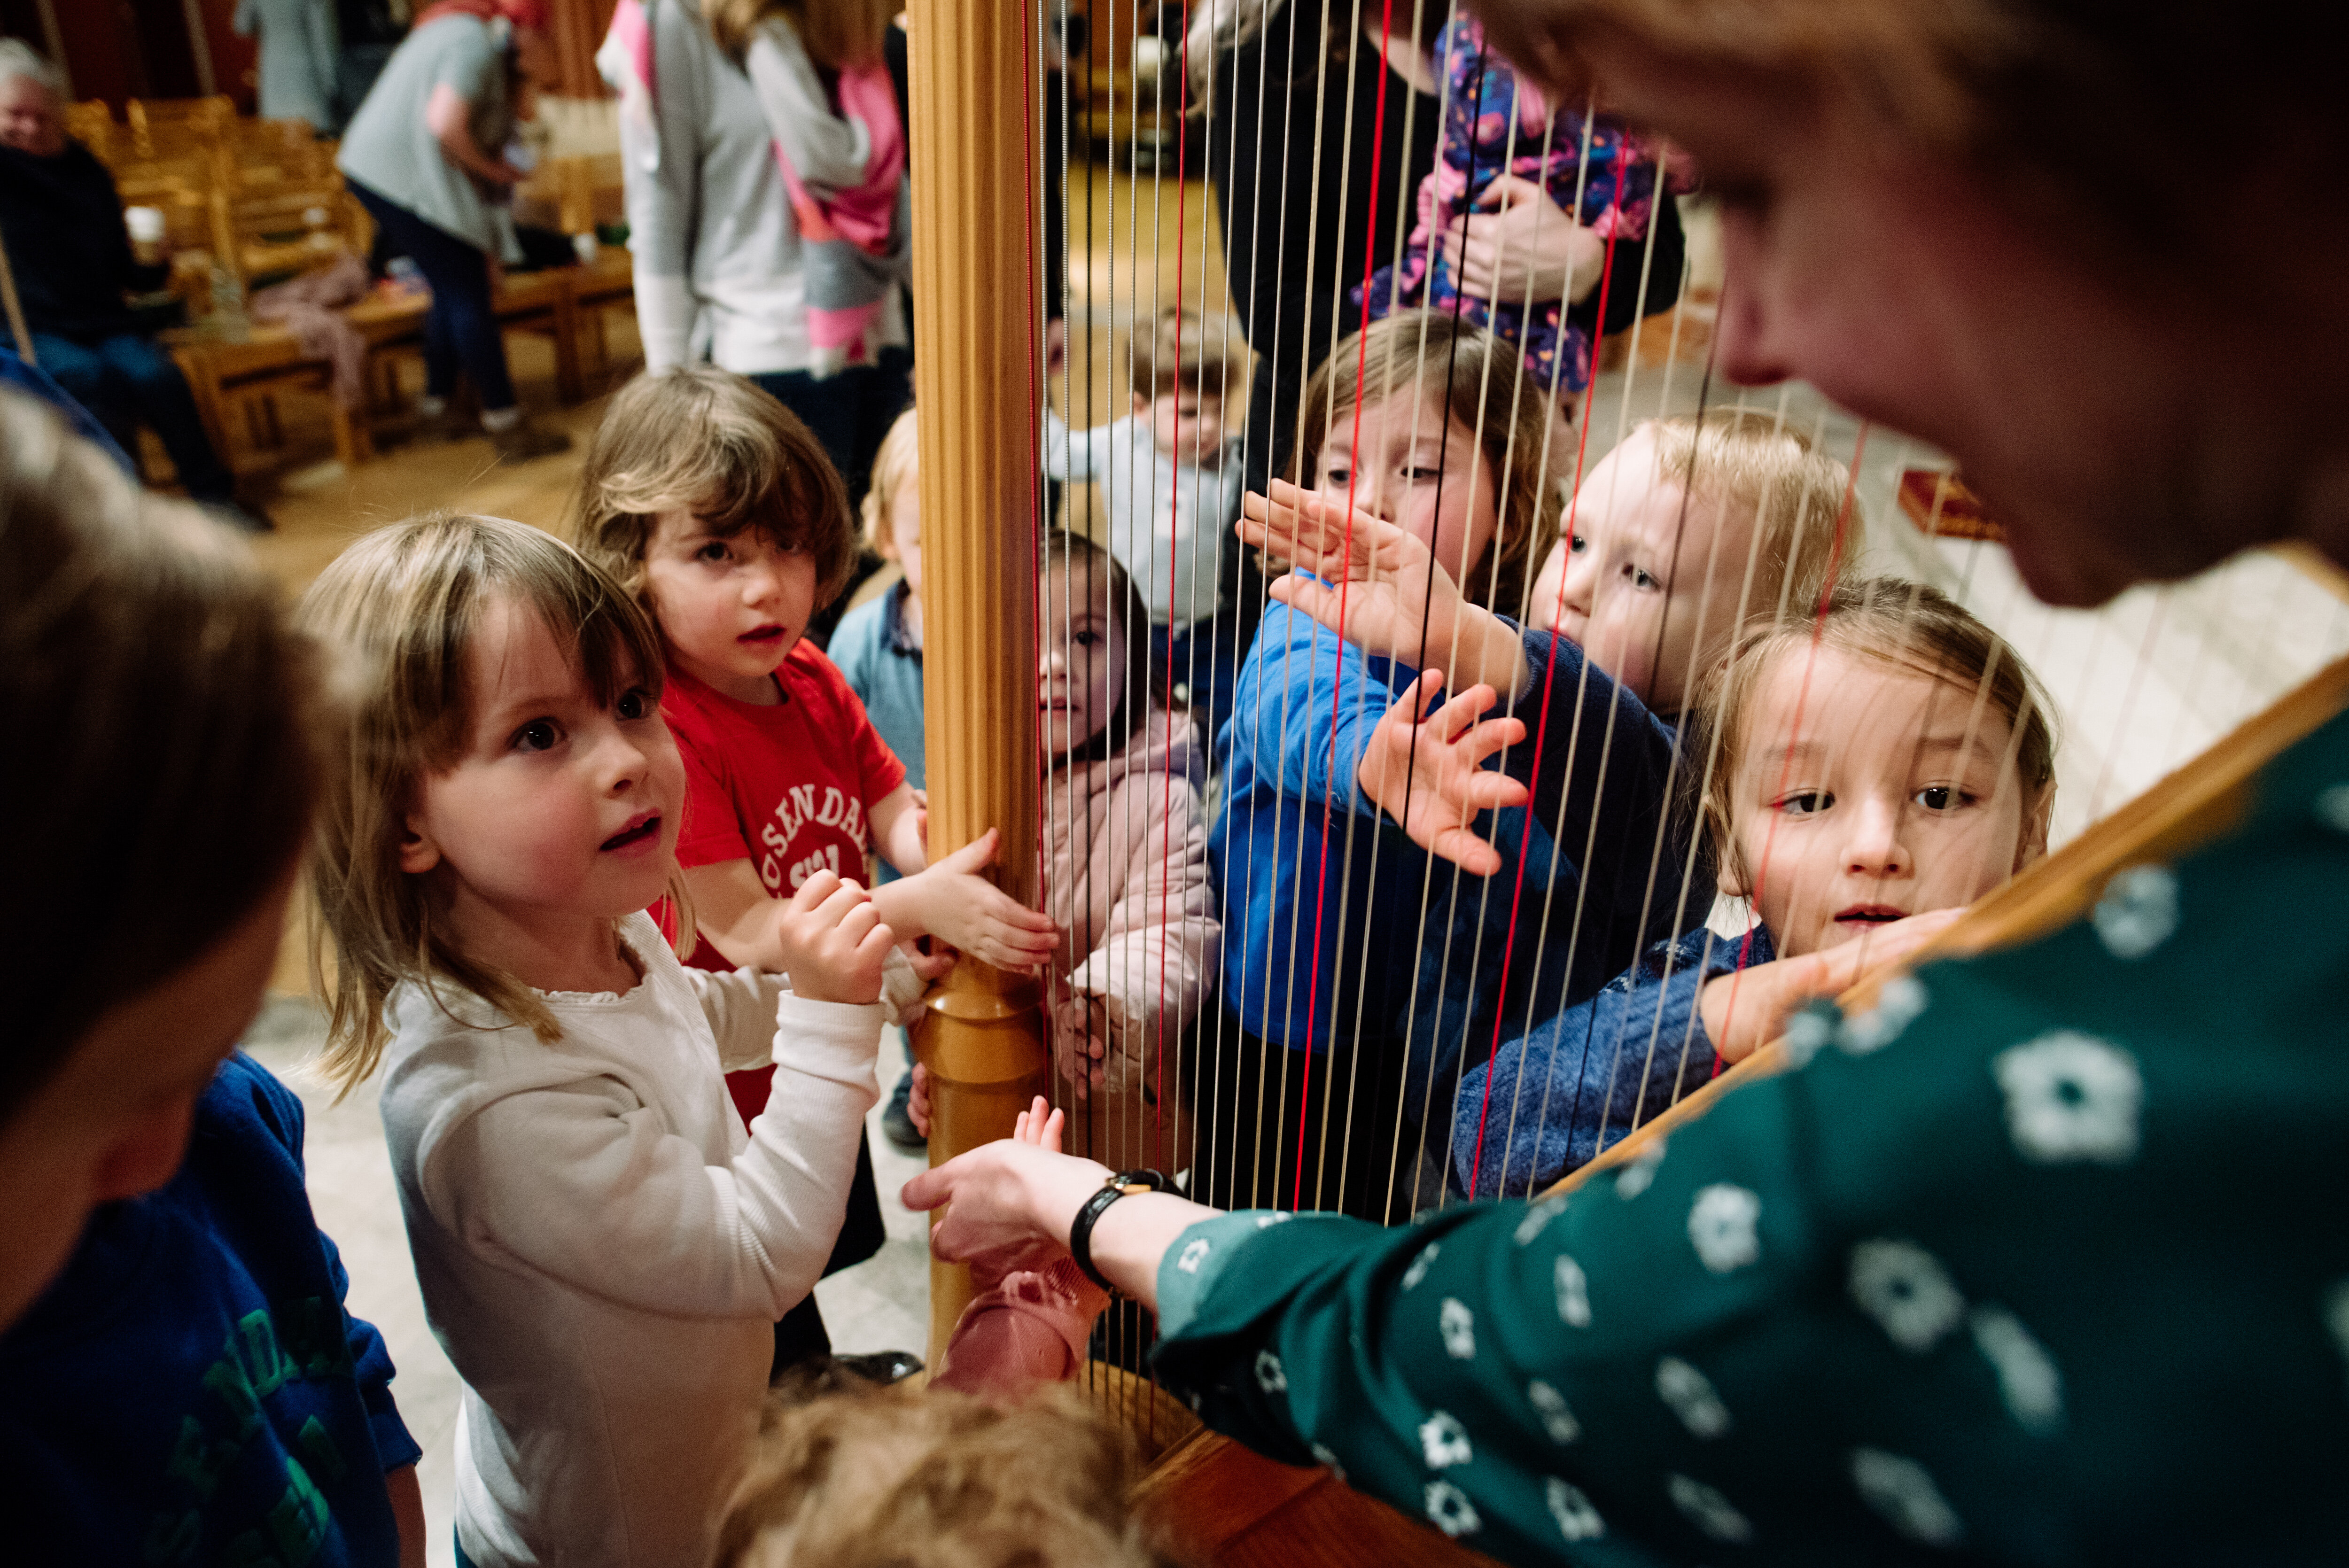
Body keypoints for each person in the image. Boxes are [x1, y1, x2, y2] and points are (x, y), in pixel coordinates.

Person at [903, 0, 2349, 1559]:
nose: (1749, 337)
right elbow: (1378, 798)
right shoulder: (1381, 647)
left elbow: (1472, 1323)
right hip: (1312, 1059)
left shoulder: (2005, 1012)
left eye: (1758, 191)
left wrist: (1097, 1215)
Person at [299, 512, 894, 1566]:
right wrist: (833, 1021)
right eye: (539, 734)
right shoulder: (491, 1102)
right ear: (403, 820)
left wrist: (812, 989)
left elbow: (681, 1022)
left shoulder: (596, 925)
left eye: (630, 704)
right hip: (613, 1532)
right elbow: (762, 1254)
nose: (628, 760)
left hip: (706, 1445)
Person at [0, 390, 425, 1560]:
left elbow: (342, 1363)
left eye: (207, 1053)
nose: (169, 1147)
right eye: (122, 1092)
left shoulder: (219, 1121)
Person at [1234, 405, 1851, 1203]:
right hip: (1434, 1097)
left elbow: (1617, 749)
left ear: (1743, 642)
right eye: (1577, 539)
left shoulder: (1689, 778)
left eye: (1643, 574)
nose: (1580, 586)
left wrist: (1477, 640)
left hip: (1533, 1158)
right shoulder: (1520, 690)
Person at [570, 366, 1056, 1373]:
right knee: (748, 1291)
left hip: (814, 1042)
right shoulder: (662, 730)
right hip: (723, 1075)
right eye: (716, 553)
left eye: (788, 545)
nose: (767, 584)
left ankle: (810, 1388)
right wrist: (921, 903)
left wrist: (962, 859)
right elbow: (748, 933)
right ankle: (793, 1423)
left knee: (804, 1273)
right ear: (633, 562)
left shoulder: (812, 674)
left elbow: (890, 809)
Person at [1457, 579, 2056, 1196]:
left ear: (2033, 826)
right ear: (1732, 847)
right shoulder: (1696, 984)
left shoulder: (2068, 1033)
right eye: (1808, 800)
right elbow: (1482, 1135)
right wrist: (1716, 1021)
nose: (1876, 847)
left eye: (1941, 795)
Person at [909, 532, 1220, 1170]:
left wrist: (1106, 1003)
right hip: (994, 1092)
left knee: (1094, 1263)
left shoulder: (1159, 795)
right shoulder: (970, 789)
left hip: (1113, 1105)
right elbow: (935, 953)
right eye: (1028, 636)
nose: (1055, 662)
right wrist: (937, 1049)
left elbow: (1175, 930)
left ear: (1132, 658)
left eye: (1085, 638)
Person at [602, 0, 912, 512]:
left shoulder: (844, 19)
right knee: (789, 571)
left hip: (880, 336)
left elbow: (895, 186)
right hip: (765, 356)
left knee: (874, 554)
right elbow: (661, 210)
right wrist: (669, 394)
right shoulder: (675, 18)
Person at [1360, 11, 1690, 402]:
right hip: (1393, 371)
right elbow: (1496, 122)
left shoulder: (1616, 39)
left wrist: (1586, 266)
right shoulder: (1471, 35)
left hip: (1552, 323)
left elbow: (1667, 264)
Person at [0, 44, 265, 528]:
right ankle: (126, 515)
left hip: (101, 318)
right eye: (15, 115)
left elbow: (124, 269)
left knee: (156, 376)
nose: (31, 128)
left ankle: (214, 499)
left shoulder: (85, 171)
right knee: (90, 379)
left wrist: (154, 265)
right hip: (31, 330)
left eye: (42, 116)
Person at [336, 0, 572, 463]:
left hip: (379, 171)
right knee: (467, 289)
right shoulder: (472, 40)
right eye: (540, 35)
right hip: (400, 177)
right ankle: (506, 424)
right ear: (522, 28)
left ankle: (436, 408)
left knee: (451, 287)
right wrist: (493, 170)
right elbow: (445, 123)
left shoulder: (457, 30)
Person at [1044, 309, 1249, 746]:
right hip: (1134, 622)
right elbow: (1056, 453)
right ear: (1140, 408)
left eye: (1219, 410)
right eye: (1191, 413)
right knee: (1134, 714)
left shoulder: (1234, 458)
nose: (1210, 427)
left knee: (1222, 717)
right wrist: (1037, 377)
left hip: (1210, 624)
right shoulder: (1119, 442)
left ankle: (1209, 783)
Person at [828, 405, 927, 1149]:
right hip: (900, 838)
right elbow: (836, 747)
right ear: (889, 538)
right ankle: (915, 1066)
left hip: (1016, 825)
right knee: (908, 963)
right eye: (930, 541)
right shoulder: (863, 632)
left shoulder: (1036, 620)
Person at [237, 0, 344, 131]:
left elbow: (242, 26)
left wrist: (271, 30)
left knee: (278, 133)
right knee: (313, 135)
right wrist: (332, 83)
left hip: (272, 70)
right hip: (305, 69)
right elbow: (323, 35)